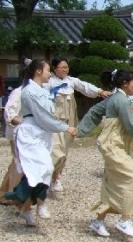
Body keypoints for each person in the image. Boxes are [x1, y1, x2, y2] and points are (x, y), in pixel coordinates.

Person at [77, 69, 133, 238]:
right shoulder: (120, 100)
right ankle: (125, 220)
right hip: (114, 145)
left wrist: (81, 130)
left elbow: (95, 111)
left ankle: (98, 221)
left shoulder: (116, 98)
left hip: (119, 144)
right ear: (125, 83)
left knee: (113, 183)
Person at [3, 60, 78, 227]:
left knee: (43, 170)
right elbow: (42, 116)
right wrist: (65, 127)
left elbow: (48, 113)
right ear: (38, 71)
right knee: (39, 169)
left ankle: (26, 207)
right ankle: (31, 201)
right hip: (31, 134)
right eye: (47, 70)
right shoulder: (28, 91)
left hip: (42, 133)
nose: (50, 74)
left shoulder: (43, 90)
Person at [46, 58, 111, 193]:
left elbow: (84, 86)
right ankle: (44, 177)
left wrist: (100, 91)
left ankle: (56, 177)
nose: (65, 69)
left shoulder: (71, 81)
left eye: (66, 67)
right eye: (62, 67)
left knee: (64, 150)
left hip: (69, 120)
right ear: (54, 68)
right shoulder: (48, 82)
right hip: (54, 121)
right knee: (55, 149)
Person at [0, 84, 25, 205]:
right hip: (18, 133)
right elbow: (10, 112)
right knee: (18, 165)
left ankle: (5, 194)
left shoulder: (41, 91)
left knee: (18, 164)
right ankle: (13, 195)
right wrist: (23, 124)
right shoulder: (19, 92)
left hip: (31, 134)